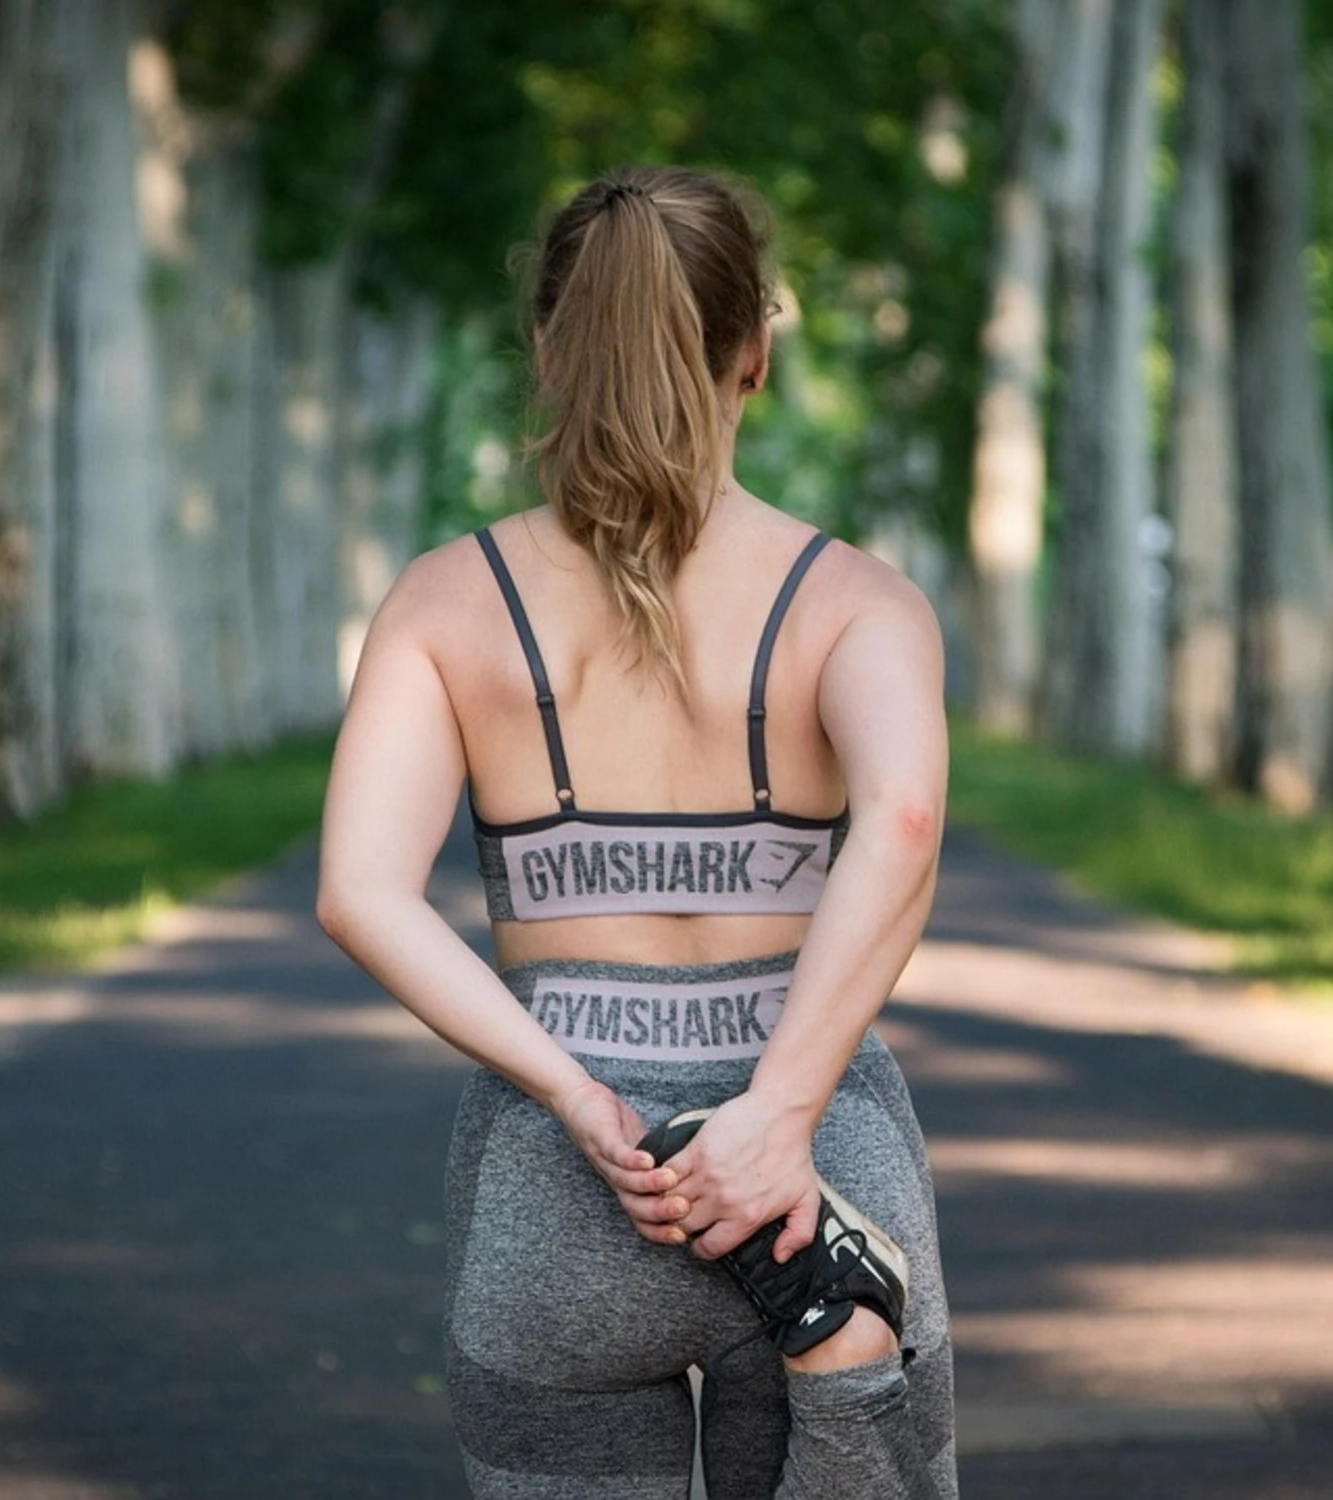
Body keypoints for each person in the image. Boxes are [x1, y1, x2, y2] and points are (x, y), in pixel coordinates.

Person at [317, 164, 956, 1498]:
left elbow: (361, 893)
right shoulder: (857, 603)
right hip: (812, 1193)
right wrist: (777, 1118)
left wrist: (574, 1095)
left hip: (565, 1188)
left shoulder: (446, 603)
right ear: (754, 352)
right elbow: (898, 815)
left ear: (551, 349)